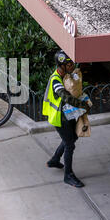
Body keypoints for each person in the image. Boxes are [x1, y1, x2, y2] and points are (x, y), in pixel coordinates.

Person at [42, 50, 90, 188]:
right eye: (68, 64)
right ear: (61, 66)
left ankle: (54, 160)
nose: (72, 66)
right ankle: (68, 175)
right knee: (70, 144)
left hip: (67, 115)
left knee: (72, 138)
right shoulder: (56, 79)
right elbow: (66, 97)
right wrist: (83, 105)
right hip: (59, 118)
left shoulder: (66, 75)